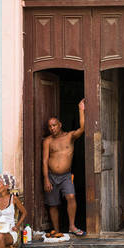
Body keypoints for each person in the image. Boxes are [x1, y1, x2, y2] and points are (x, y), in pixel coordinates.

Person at [42, 99, 86, 237]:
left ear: (60, 125)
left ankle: (72, 226)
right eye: (50, 126)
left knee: (71, 196)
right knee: (53, 204)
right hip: (51, 176)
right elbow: (44, 161)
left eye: (54, 125)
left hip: (66, 176)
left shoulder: (69, 137)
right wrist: (46, 179)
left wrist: (81, 109)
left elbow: (83, 128)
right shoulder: (48, 141)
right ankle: (57, 230)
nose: (52, 128)